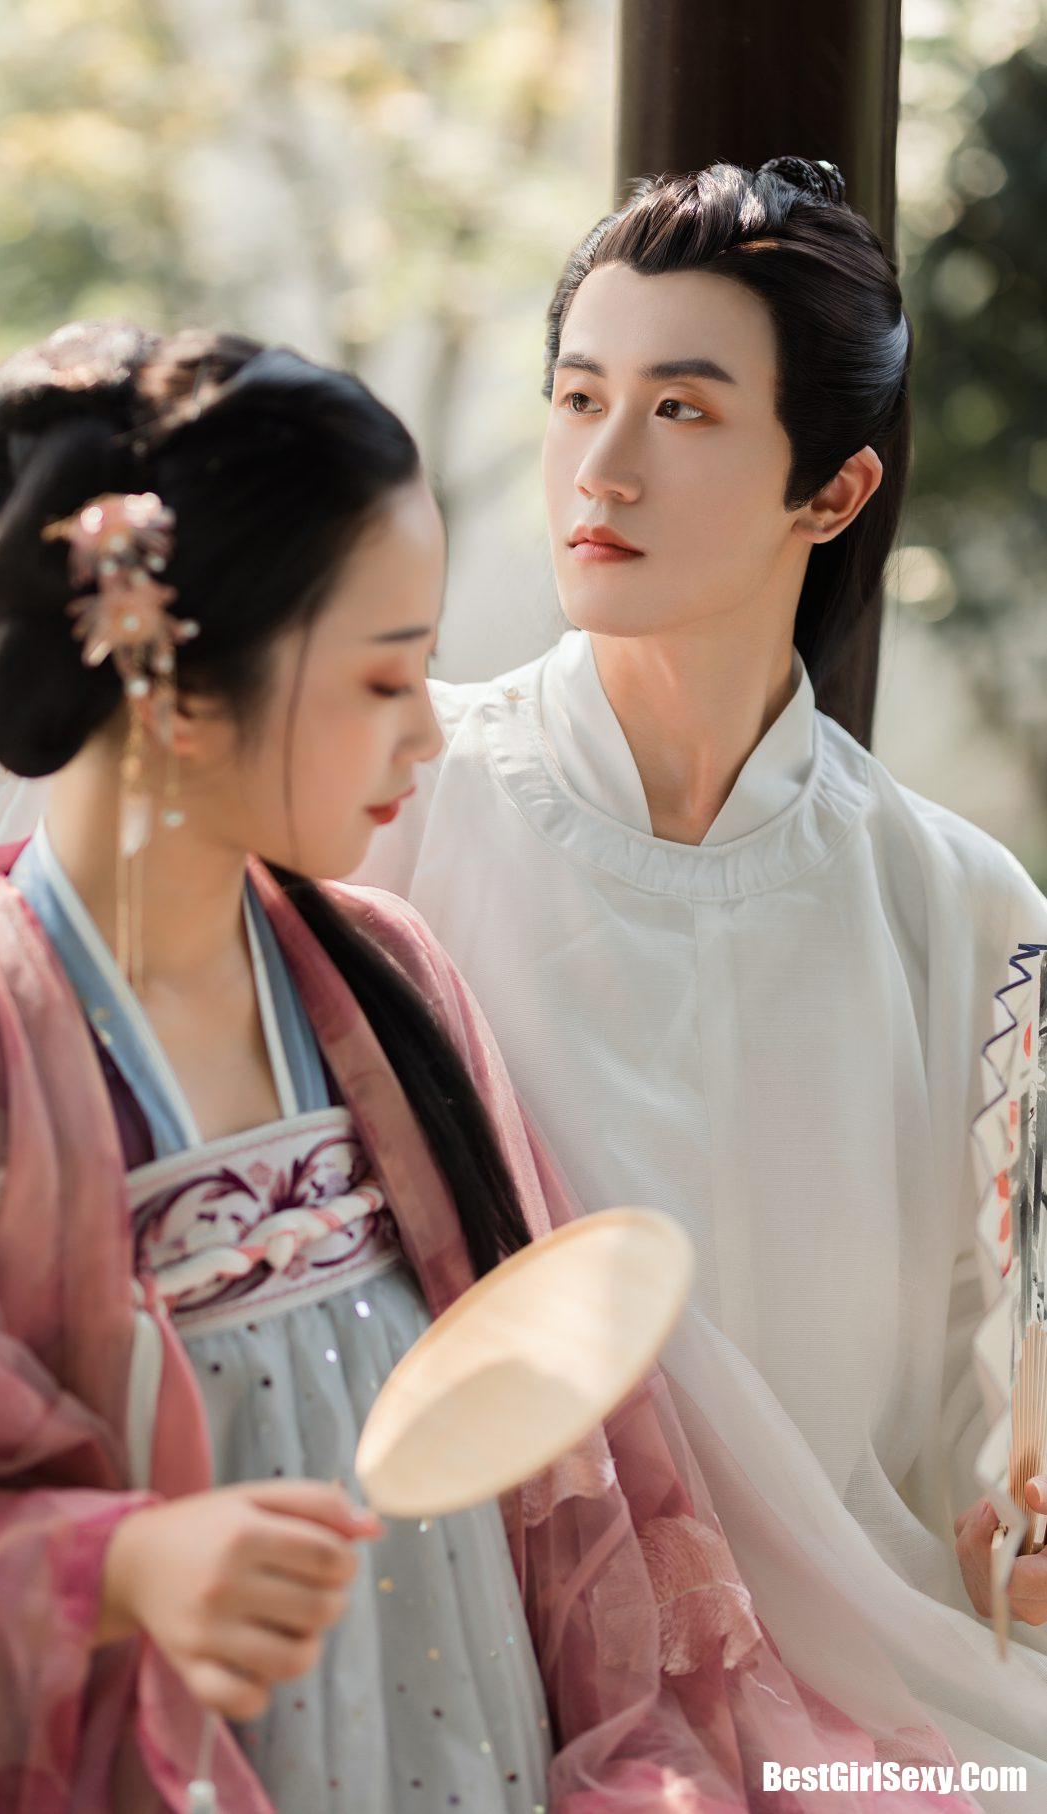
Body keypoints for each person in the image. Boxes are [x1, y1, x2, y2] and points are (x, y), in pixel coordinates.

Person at [0, 321, 973, 1813]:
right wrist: (117, 1566)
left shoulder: (388, 981)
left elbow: (574, 1459)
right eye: (385, 680)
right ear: (178, 680)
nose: (429, 735)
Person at [347, 160, 1047, 1801]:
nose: (601, 466)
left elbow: (995, 1376)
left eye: (681, 409)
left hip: (857, 1695)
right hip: (451, 1661)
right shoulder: (393, 806)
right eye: (576, 396)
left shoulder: (959, 906)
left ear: (835, 488)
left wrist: (1011, 1519)